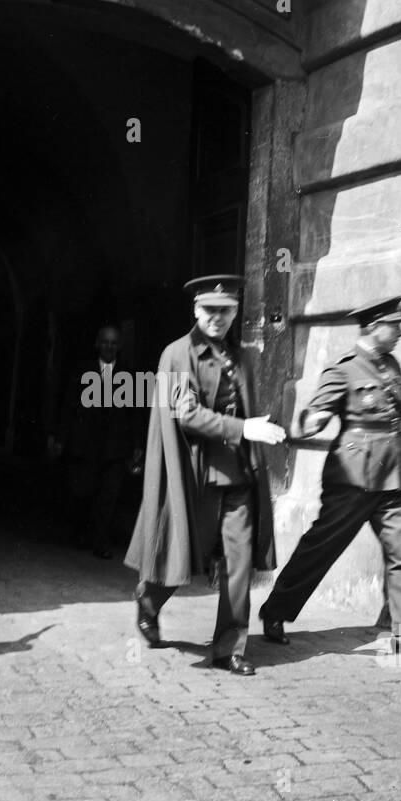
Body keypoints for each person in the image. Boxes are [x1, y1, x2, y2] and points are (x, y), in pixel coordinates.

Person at [258, 296, 401, 654]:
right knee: (321, 548)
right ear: (374, 326)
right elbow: (314, 414)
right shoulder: (342, 369)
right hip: (352, 480)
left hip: (394, 477)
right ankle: (275, 611)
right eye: (395, 325)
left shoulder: (391, 366)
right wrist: (311, 422)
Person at [125, 275, 286, 676]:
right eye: (209, 310)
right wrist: (243, 429)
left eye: (225, 310)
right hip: (195, 476)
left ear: (235, 312)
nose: (217, 318)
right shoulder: (178, 355)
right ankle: (149, 600)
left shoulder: (242, 356)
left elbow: (243, 408)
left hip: (238, 477)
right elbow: (186, 413)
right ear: (196, 311)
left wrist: (258, 427)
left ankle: (229, 648)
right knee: (180, 554)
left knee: (239, 562)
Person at [49, 325, 143, 558]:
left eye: (114, 343)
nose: (109, 346)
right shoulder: (82, 372)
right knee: (83, 491)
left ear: (119, 346)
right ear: (97, 344)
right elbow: (68, 407)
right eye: (105, 342)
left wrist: (138, 445)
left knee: (108, 496)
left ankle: (101, 541)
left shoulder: (129, 376)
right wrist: (60, 439)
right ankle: (81, 533)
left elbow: (135, 414)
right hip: (86, 445)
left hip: (115, 447)